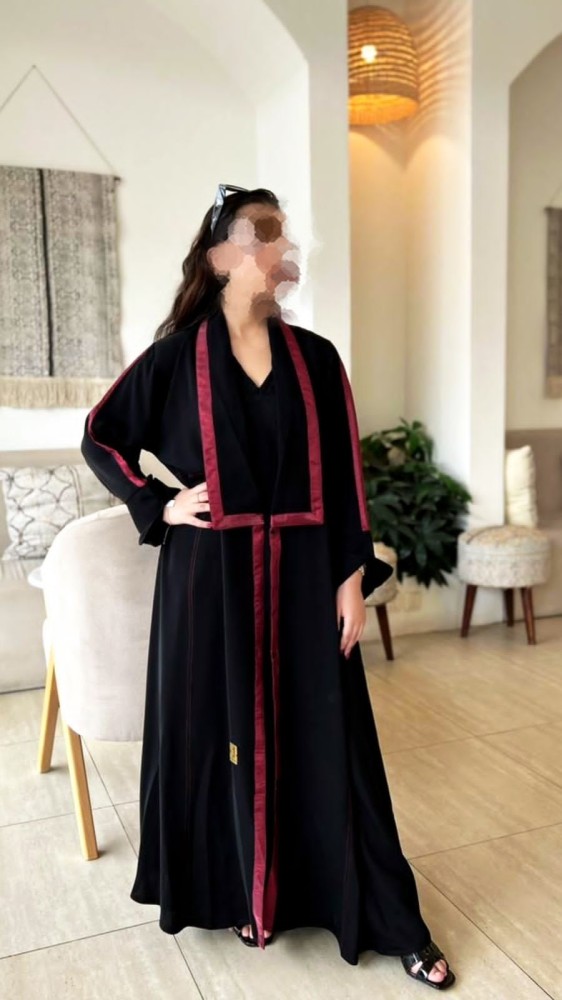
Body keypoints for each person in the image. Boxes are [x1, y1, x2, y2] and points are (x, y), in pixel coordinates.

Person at [80, 185, 456, 990]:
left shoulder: (315, 359)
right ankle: (239, 894)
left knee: (332, 741)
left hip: (305, 577)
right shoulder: (176, 357)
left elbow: (347, 479)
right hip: (206, 579)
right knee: (214, 736)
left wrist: (351, 577)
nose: (281, 249)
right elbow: (100, 435)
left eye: (282, 235)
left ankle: (389, 917)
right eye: (263, 234)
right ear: (222, 256)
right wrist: (159, 503)